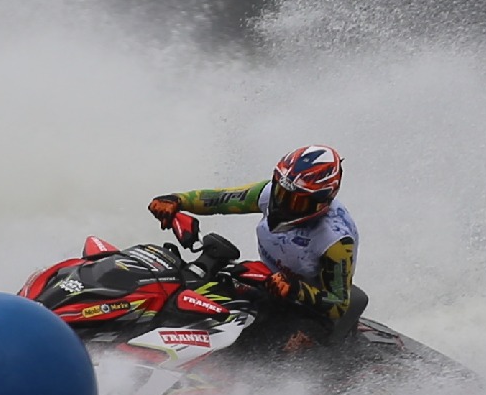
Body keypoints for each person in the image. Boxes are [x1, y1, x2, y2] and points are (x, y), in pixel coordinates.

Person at [146, 144, 365, 353]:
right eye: (281, 193)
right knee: (206, 304)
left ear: (322, 200)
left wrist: (295, 289)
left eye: (296, 201)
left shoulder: (335, 240)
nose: (284, 204)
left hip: (310, 310)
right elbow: (220, 199)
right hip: (268, 283)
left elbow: (338, 304)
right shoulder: (270, 194)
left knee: (265, 349)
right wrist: (177, 200)